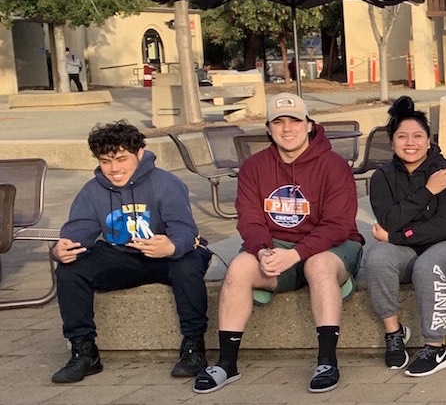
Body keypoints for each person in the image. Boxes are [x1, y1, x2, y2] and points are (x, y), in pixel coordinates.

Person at [195, 93, 363, 394]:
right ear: (269, 129)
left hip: (334, 247)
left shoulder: (334, 165)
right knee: (239, 266)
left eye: (295, 121)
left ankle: (327, 361)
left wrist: (296, 254)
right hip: (276, 246)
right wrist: (261, 249)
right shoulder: (254, 167)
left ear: (310, 125)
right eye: (278, 122)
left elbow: (337, 226)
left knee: (318, 264)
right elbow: (249, 219)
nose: (287, 129)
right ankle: (227, 363)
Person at [50, 121, 210, 384]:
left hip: (166, 254)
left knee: (188, 265)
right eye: (105, 162)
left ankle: (194, 347)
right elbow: (79, 229)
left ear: (139, 153)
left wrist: (171, 246)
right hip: (121, 256)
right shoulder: (92, 190)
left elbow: (184, 228)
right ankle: (84, 351)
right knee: (70, 270)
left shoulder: (167, 183)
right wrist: (64, 248)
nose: (114, 169)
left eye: (121, 159)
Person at [362, 97, 446, 377]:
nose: (410, 143)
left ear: (429, 140)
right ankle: (394, 333)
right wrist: (427, 192)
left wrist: (396, 236)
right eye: (402, 136)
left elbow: (445, 226)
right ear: (392, 141)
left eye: (417, 136)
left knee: (427, 265)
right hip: (408, 249)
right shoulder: (382, 177)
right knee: (377, 257)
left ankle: (435, 347)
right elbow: (388, 218)